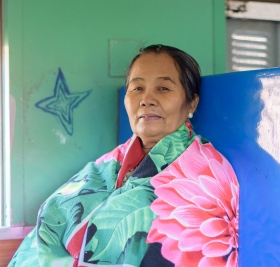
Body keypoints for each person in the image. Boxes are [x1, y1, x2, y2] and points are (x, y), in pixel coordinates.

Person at [9, 44, 239, 267]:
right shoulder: (107, 164)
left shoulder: (207, 176)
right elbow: (50, 219)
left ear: (191, 102)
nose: (146, 99)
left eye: (163, 88)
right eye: (137, 88)